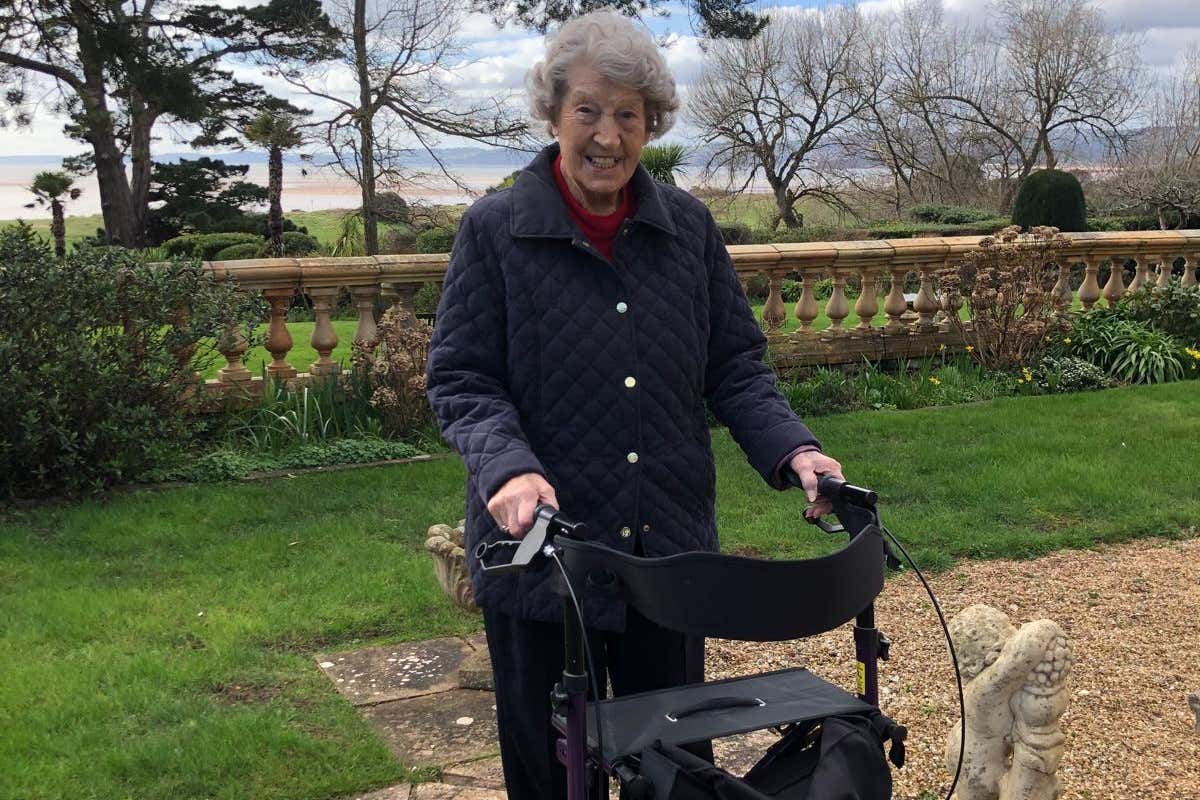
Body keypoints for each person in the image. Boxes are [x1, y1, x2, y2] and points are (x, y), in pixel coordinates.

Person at [425, 11, 844, 799]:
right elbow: (461, 378)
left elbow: (736, 366)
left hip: (668, 559)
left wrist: (796, 451)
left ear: (651, 124)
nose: (608, 135)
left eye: (628, 114)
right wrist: (508, 470)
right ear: (553, 115)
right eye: (588, 109)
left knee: (676, 771)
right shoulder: (494, 231)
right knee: (551, 774)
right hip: (544, 562)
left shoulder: (686, 229)